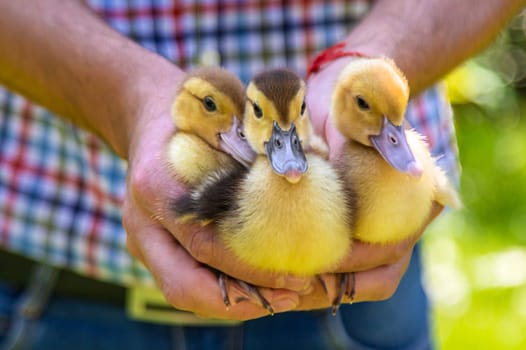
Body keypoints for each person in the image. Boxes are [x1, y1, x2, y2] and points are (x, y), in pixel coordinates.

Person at [0, 0, 523, 349]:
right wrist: (127, 102)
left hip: (360, 291)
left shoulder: (323, 149)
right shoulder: (224, 154)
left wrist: (374, 60)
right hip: (54, 262)